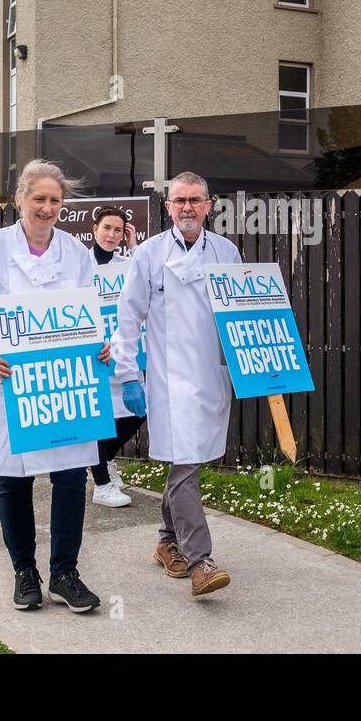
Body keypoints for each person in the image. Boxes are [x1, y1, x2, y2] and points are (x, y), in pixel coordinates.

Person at [0, 160, 110, 613]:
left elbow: (88, 313)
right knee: (13, 478)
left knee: (71, 475)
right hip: (9, 381)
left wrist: (100, 345)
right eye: (38, 198)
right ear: (20, 199)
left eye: (55, 200)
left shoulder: (76, 254)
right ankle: (25, 572)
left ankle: (65, 572)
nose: (47, 208)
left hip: (63, 384)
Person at [114, 171, 239, 597]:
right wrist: (129, 375)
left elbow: (243, 311)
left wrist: (248, 365)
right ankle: (201, 560)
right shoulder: (147, 255)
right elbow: (126, 319)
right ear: (167, 206)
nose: (187, 207)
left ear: (209, 205)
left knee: (189, 462)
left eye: (195, 200)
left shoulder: (226, 251)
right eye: (179, 200)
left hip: (210, 377)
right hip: (168, 382)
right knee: (185, 463)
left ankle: (168, 540)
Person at [88, 205, 143, 508]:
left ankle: (105, 458)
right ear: (95, 228)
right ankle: (101, 484)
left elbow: (148, 280)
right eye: (107, 228)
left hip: (125, 348)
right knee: (101, 418)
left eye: (118, 230)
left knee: (138, 410)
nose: (112, 235)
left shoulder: (128, 263)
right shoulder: (81, 264)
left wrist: (134, 247)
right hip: (95, 350)